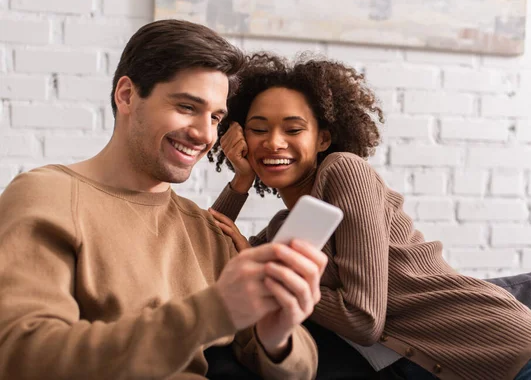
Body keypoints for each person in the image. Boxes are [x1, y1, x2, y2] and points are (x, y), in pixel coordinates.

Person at [207, 52, 531, 380]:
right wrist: (240, 180)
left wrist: (269, 275)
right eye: (259, 129)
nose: (274, 142)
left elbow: (363, 320)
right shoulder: (282, 234)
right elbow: (203, 251)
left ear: (322, 138)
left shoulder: (343, 171)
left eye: (293, 128)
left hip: (511, 354)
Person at [0, 21, 329, 380]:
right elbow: (23, 356)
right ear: (127, 95)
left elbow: (302, 367)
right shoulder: (47, 196)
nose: (205, 134)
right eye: (187, 107)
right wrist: (209, 312)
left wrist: (275, 334)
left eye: (216, 117)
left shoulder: (205, 227)